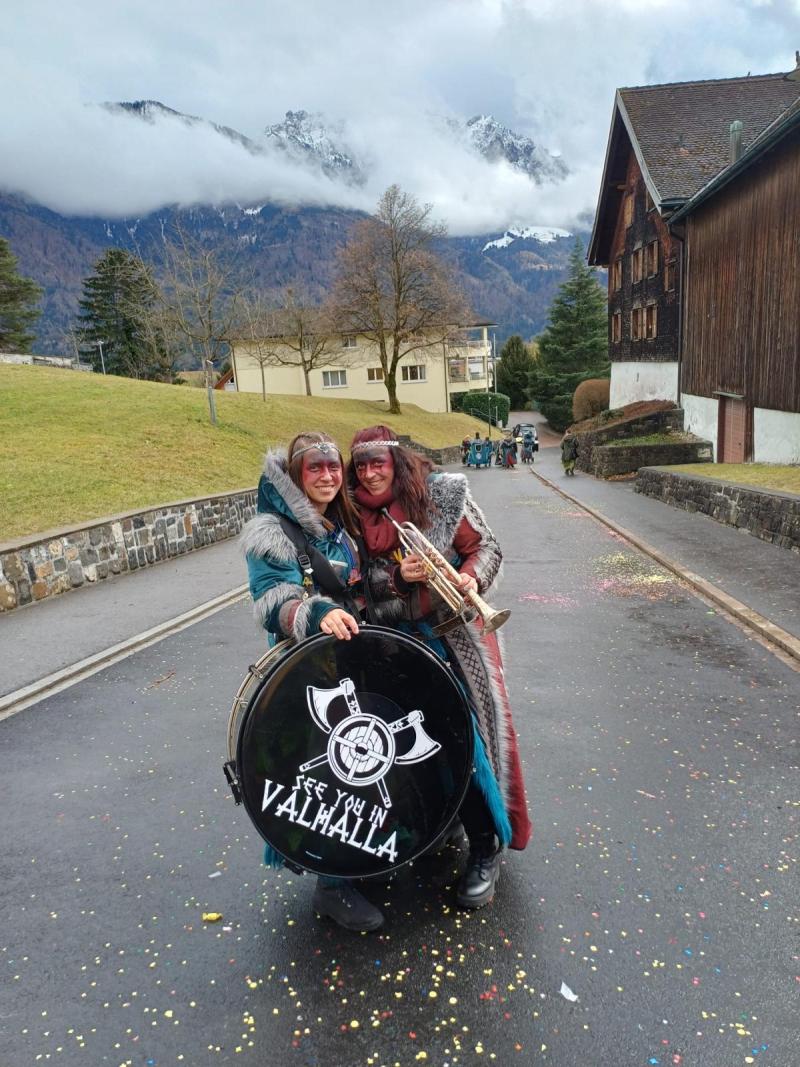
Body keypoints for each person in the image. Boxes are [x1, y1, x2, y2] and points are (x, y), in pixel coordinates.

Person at [348, 425, 532, 909]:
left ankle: (486, 846)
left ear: (396, 462)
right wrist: (396, 577)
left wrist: (468, 579)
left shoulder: (441, 494)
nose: (369, 474)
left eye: (378, 463)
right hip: (398, 643)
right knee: (418, 747)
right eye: (361, 466)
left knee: (472, 742)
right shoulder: (350, 513)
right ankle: (444, 823)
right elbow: (357, 584)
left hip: (455, 635)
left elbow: (487, 548)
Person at [240, 430, 385, 933]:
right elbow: (271, 599)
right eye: (315, 469)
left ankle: (361, 857)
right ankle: (331, 884)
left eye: (333, 467)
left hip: (351, 658)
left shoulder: (340, 523)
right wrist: (316, 613)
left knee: (361, 764)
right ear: (297, 476)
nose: (327, 476)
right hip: (305, 668)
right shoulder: (270, 531)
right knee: (322, 779)